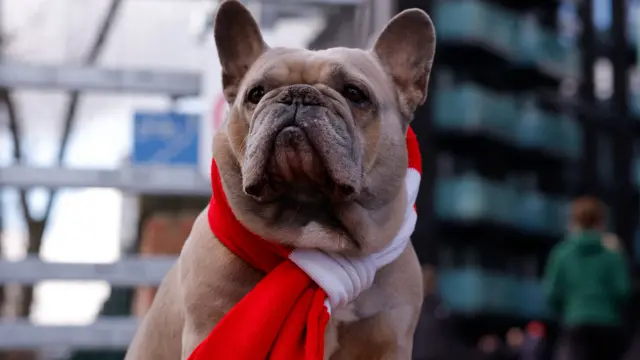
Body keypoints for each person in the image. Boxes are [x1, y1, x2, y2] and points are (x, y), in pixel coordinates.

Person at [543, 197, 630, 360]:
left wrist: (569, 309)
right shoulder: (612, 253)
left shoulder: (562, 253)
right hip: (608, 325)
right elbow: (623, 291)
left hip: (575, 322)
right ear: (601, 221)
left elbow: (552, 294)